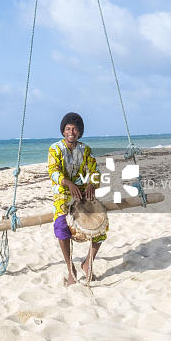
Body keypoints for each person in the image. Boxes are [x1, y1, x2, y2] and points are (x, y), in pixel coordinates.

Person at [48, 112, 107, 286]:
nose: (71, 132)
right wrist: (68, 184)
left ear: (79, 132)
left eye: (74, 129)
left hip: (83, 192)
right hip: (62, 193)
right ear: (63, 131)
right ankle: (70, 268)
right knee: (61, 226)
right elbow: (54, 171)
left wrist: (91, 185)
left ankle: (88, 262)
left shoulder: (85, 149)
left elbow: (95, 171)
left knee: (102, 226)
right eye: (67, 129)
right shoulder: (55, 149)